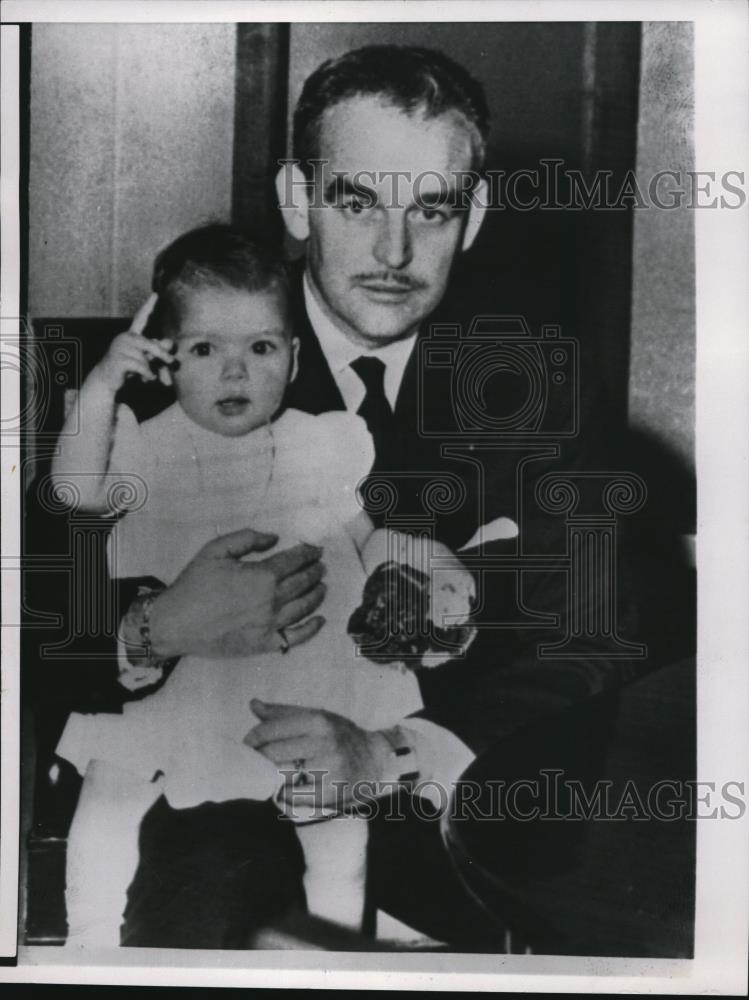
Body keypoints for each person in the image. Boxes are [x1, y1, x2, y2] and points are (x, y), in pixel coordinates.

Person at [32, 45, 638, 948]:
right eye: (356, 202)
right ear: (295, 200)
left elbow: (594, 633)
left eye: (430, 209)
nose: (393, 252)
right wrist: (153, 627)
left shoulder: (535, 384)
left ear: (471, 216)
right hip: (187, 858)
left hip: (446, 871)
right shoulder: (150, 374)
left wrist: (390, 755)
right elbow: (26, 613)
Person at [50, 224, 480, 945]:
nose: (234, 373)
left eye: (260, 348)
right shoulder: (145, 447)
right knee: (108, 801)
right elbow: (72, 493)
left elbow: (360, 532)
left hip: (303, 675)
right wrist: (101, 385)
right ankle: (87, 940)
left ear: (293, 355)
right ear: (166, 360)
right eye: (204, 350)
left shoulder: (319, 442)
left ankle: (333, 944)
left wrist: (414, 564)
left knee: (336, 831)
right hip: (181, 679)